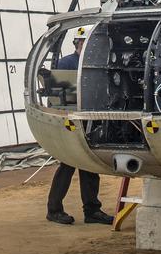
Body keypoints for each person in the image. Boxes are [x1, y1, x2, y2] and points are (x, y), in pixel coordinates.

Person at [46, 27, 114, 226]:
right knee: (67, 166)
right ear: (77, 43)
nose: (86, 46)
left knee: (89, 165)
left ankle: (92, 210)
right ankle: (54, 209)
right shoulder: (66, 63)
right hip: (71, 122)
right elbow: (56, 95)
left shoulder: (97, 63)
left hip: (90, 121)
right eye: (83, 43)